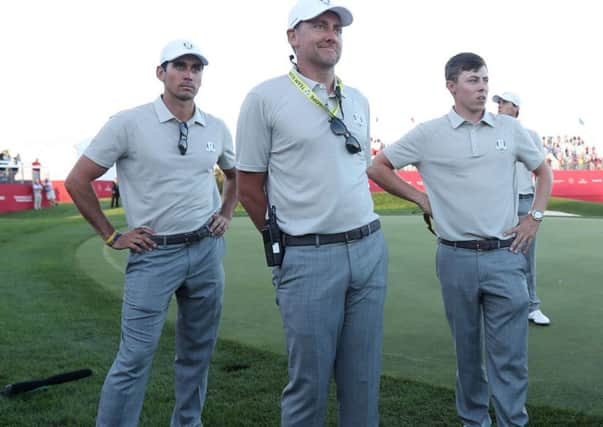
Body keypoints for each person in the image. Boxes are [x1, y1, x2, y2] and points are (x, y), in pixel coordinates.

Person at [368, 53, 553, 427]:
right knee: (468, 353)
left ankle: (512, 422)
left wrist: (533, 218)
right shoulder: (428, 133)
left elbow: (543, 172)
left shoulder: (510, 129)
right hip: (455, 257)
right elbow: (377, 167)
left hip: (505, 255)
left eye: (485, 79)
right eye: (472, 80)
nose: (482, 87)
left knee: (510, 356)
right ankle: (474, 421)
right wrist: (421, 198)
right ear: (451, 86)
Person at [65, 39, 237, 427]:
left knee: (197, 353)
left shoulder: (216, 126)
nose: (188, 75)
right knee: (134, 357)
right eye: (180, 66)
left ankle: (188, 422)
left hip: (206, 251)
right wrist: (112, 236)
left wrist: (226, 212)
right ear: (161, 73)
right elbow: (78, 181)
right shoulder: (128, 122)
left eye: (196, 68)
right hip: (154, 255)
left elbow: (236, 174)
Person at [235, 1, 388, 425]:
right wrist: (286, 243)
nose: (330, 34)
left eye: (336, 27)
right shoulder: (264, 98)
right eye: (318, 25)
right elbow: (249, 188)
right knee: (309, 384)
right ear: (292, 37)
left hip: (369, 248)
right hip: (307, 255)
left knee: (363, 380)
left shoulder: (357, 99)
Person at [493, 91, 551, 326]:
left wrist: (536, 212)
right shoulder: (488, 132)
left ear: (516, 108)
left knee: (526, 256)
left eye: (504, 103)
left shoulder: (531, 135)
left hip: (524, 200)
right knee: (496, 256)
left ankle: (532, 305)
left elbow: (540, 173)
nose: (499, 107)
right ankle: (501, 306)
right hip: (497, 202)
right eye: (498, 103)